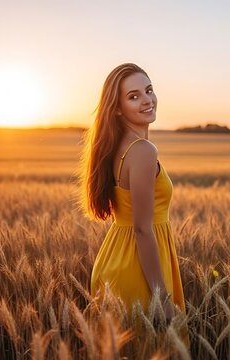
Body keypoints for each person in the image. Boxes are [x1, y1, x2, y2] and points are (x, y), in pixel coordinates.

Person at [78, 63, 186, 329]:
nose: (147, 100)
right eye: (134, 96)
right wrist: (161, 296)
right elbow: (142, 228)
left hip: (115, 258)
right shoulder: (143, 151)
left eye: (149, 90)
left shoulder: (117, 147)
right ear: (117, 108)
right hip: (138, 269)